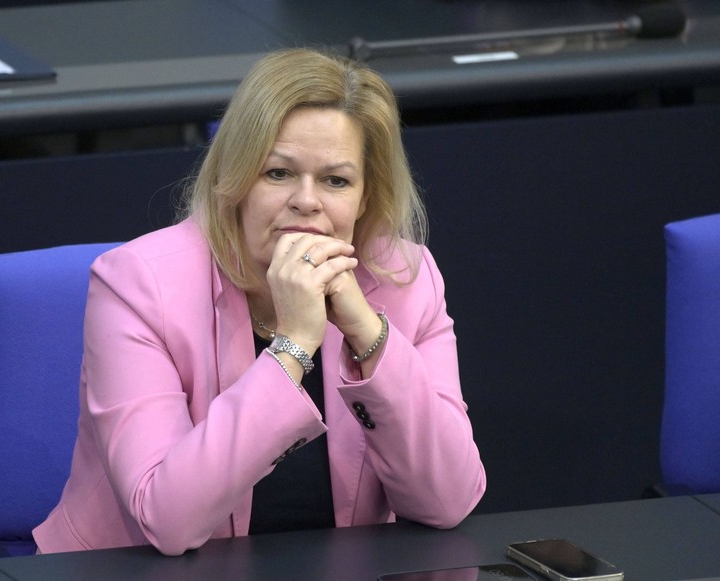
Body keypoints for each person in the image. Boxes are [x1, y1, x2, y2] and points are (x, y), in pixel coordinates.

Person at [33, 47, 486, 556]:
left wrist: (369, 335)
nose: (307, 201)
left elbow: (448, 501)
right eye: (278, 173)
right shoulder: (137, 285)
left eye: (336, 180)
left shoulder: (404, 278)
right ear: (237, 180)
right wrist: (293, 346)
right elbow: (169, 522)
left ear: (365, 197)